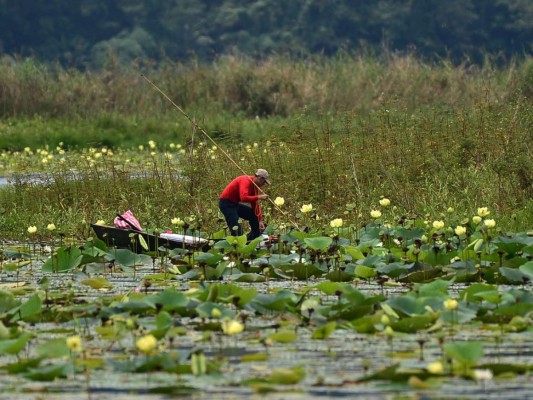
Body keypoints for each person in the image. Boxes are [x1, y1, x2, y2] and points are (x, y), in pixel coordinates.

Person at [219, 168, 270, 240]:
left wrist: (260, 220)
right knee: (236, 227)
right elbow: (243, 198)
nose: (263, 184)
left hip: (235, 204)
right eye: (264, 182)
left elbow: (255, 204)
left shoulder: (255, 186)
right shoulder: (245, 180)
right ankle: (237, 245)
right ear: (260, 178)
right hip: (226, 204)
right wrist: (259, 196)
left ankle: (254, 239)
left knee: (253, 215)